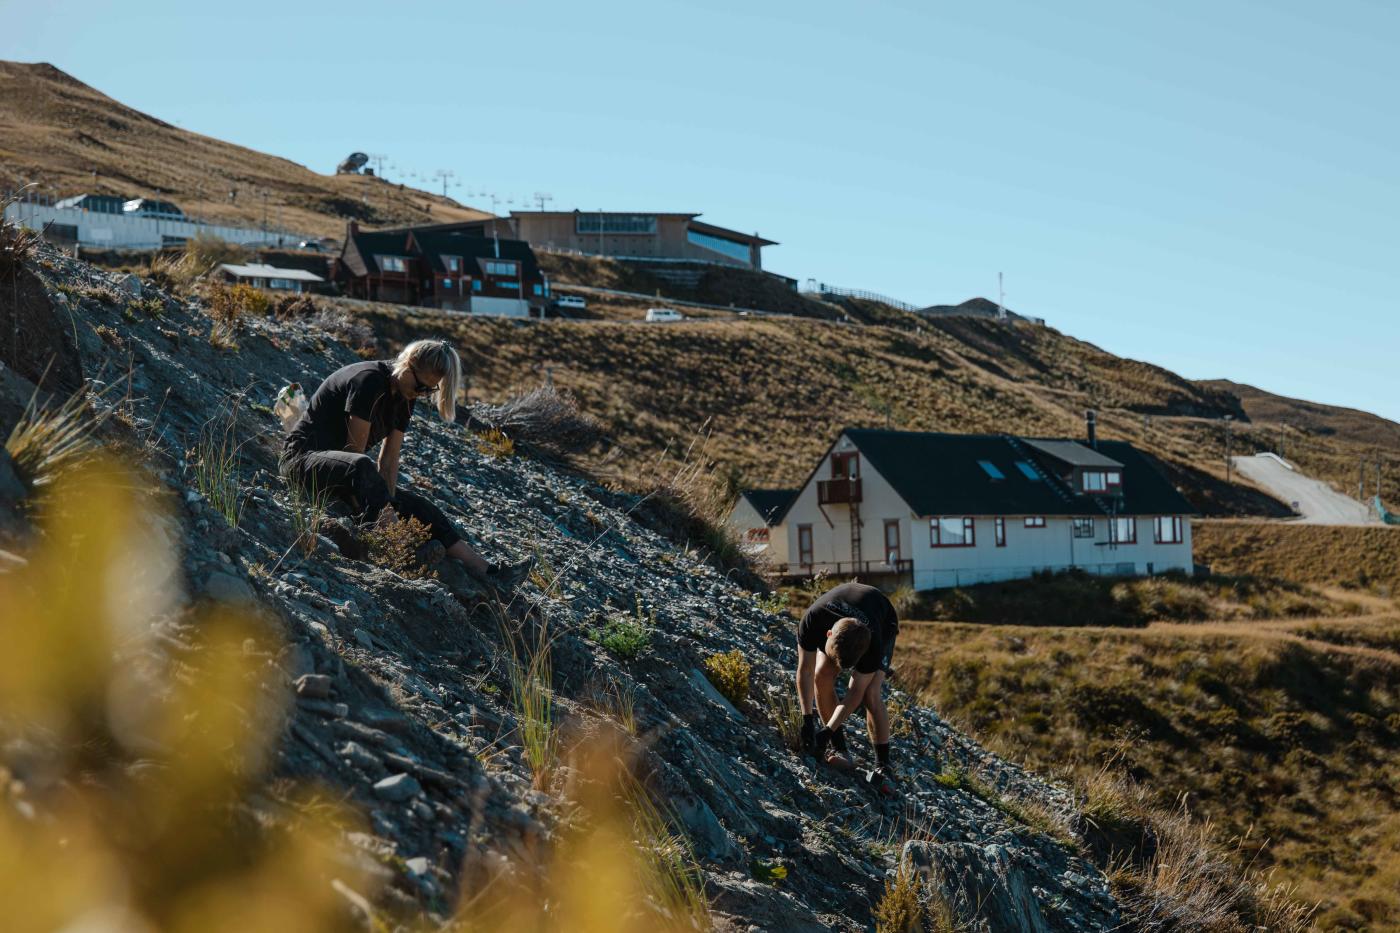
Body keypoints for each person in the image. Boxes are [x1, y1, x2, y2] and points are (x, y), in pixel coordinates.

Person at [279, 339, 532, 592]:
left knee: (423, 508)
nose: (420, 394)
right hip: (302, 460)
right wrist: (385, 516)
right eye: (420, 386)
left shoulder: (404, 395)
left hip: (345, 470)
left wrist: (390, 503)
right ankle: (398, 551)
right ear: (406, 366)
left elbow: (389, 462)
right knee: (362, 467)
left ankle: (491, 573)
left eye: (429, 391)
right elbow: (352, 453)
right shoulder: (369, 382)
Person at [794, 581, 899, 792]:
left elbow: (855, 693)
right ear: (828, 635)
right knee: (821, 675)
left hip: (882, 618)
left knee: (870, 693)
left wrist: (826, 730)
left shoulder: (873, 644)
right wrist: (806, 718)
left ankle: (884, 764)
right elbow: (805, 669)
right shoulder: (812, 620)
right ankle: (839, 748)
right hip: (841, 619)